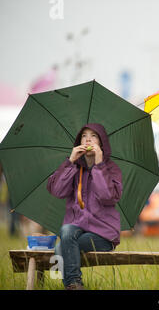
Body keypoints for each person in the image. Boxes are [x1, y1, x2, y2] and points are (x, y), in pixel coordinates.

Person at [47, 123, 123, 290]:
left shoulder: (112, 169)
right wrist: (70, 161)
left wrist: (99, 164)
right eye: (84, 135)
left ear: (101, 143)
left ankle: (70, 284)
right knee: (66, 231)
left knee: (60, 247)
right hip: (75, 229)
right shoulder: (74, 168)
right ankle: (75, 284)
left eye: (94, 136)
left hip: (102, 234)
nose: (88, 139)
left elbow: (107, 196)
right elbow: (57, 191)